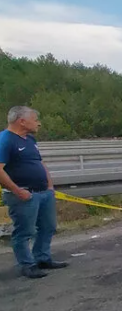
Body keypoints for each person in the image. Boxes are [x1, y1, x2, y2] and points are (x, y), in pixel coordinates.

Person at [0, 106, 68, 279]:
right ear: (22, 121)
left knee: (48, 227)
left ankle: (42, 258)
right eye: (35, 119)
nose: (39, 123)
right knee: (25, 231)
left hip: (43, 193)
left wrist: (50, 185)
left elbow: (40, 163)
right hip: (23, 195)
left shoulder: (30, 140)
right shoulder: (5, 139)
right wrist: (17, 191)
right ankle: (27, 264)